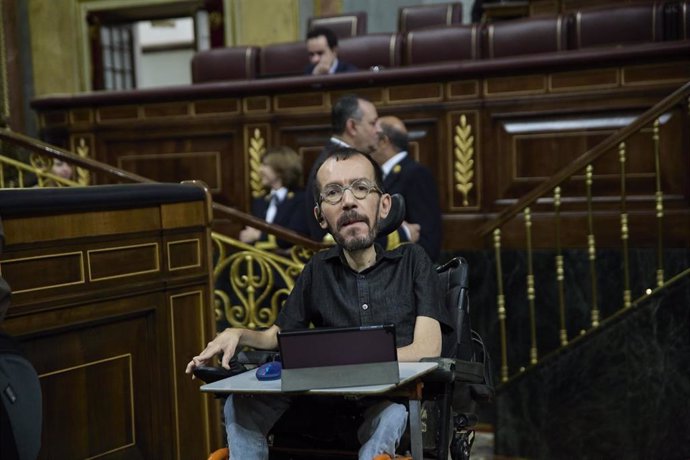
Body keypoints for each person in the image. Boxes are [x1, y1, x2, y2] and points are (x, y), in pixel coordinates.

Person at [186, 147, 450, 460]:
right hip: (325, 407)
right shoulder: (318, 269)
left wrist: (340, 364)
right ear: (320, 216)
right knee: (240, 405)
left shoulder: (411, 261)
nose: (349, 201)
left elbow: (426, 349)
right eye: (334, 193)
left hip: (389, 403)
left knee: (391, 417)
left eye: (361, 188)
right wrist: (239, 334)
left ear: (384, 205)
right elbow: (277, 337)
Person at [305, 94, 381, 240]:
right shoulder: (333, 164)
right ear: (352, 127)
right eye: (373, 123)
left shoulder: (333, 158)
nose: (379, 130)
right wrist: (404, 233)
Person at [372, 116, 443, 262]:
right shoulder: (380, 174)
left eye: (373, 135)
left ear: (384, 141)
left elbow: (428, 239)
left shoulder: (416, 174)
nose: (368, 141)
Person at [239, 146, 308, 249]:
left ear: (281, 169)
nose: (260, 169)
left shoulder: (300, 199)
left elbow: (296, 235)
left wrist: (259, 236)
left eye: (265, 165)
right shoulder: (260, 201)